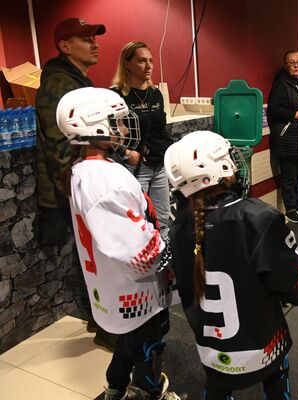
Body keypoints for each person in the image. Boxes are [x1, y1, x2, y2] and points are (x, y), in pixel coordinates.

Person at [165, 131, 298, 399]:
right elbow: (292, 282)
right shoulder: (257, 218)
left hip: (212, 349)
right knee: (276, 377)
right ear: (220, 169)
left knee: (218, 385)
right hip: (261, 342)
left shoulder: (178, 229)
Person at [56, 87, 180, 400]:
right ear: (94, 126)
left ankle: (116, 384)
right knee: (149, 339)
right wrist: (169, 258)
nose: (123, 129)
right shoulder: (107, 180)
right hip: (134, 286)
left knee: (128, 337)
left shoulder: (83, 171)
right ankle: (148, 390)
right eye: (116, 122)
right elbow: (138, 252)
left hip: (111, 283)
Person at [35, 17, 116, 349]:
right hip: (75, 188)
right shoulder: (58, 83)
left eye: (95, 38)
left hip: (84, 182)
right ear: (64, 46)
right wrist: (78, 186)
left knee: (96, 255)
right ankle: (103, 324)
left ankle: (104, 321)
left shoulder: (75, 79)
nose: (95, 43)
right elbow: (59, 144)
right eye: (85, 39)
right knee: (93, 257)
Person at [111, 41, 173, 239]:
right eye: (141, 61)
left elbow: (161, 129)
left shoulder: (155, 93)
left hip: (159, 165)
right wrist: (126, 153)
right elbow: (110, 134)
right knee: (138, 221)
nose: (148, 66)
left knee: (163, 220)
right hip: (135, 168)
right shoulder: (116, 96)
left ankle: (165, 264)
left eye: (150, 61)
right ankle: (145, 266)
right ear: (127, 64)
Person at [267, 50, 298, 224]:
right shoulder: (282, 84)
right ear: (286, 65)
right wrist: (294, 114)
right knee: (289, 176)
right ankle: (290, 208)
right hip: (288, 139)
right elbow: (273, 109)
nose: (296, 65)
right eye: (291, 63)